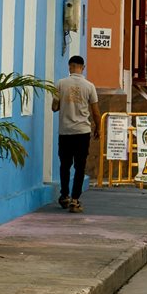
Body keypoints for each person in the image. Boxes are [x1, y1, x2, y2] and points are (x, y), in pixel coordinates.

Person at [52, 55, 101, 213]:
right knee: (80, 166)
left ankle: (64, 195)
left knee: (64, 165)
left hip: (65, 131)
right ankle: (75, 199)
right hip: (82, 132)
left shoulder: (60, 84)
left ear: (69, 67)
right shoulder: (89, 86)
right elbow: (95, 111)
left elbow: (54, 107)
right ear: (83, 67)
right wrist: (98, 128)